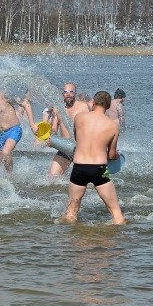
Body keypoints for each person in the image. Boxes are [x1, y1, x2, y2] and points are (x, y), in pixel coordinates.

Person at [60, 91, 125, 225]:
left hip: (79, 168)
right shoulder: (113, 126)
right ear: (108, 107)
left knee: (71, 212)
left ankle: (69, 244)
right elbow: (111, 155)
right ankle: (119, 243)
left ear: (94, 103)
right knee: (116, 213)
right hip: (100, 169)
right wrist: (118, 155)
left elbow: (78, 139)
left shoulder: (79, 117)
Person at [0, 90, 23, 174]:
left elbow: (25, 104)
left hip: (14, 130)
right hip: (1, 134)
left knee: (6, 152)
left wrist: (32, 125)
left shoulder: (3, 95)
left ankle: (10, 176)